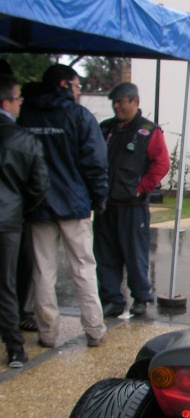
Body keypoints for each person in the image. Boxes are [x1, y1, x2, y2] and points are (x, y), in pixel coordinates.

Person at [18, 64, 108, 348]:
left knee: (43, 271)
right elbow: (95, 162)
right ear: (64, 85)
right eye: (77, 85)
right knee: (83, 267)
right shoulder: (78, 115)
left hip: (37, 206)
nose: (79, 90)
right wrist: (99, 197)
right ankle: (94, 330)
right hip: (74, 205)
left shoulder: (26, 116)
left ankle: (47, 333)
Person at [95, 82, 169, 317]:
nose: (116, 106)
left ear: (134, 102)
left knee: (135, 255)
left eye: (121, 102)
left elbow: (162, 164)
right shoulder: (106, 129)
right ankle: (112, 300)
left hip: (132, 207)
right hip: (106, 205)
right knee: (105, 257)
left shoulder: (149, 130)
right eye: (114, 102)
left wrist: (141, 187)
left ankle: (140, 298)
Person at [0, 74, 50, 367]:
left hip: (11, 215)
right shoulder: (24, 139)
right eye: (18, 99)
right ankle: (15, 347)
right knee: (6, 285)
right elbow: (39, 185)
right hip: (9, 219)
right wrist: (21, 208)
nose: (21, 104)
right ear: (7, 102)